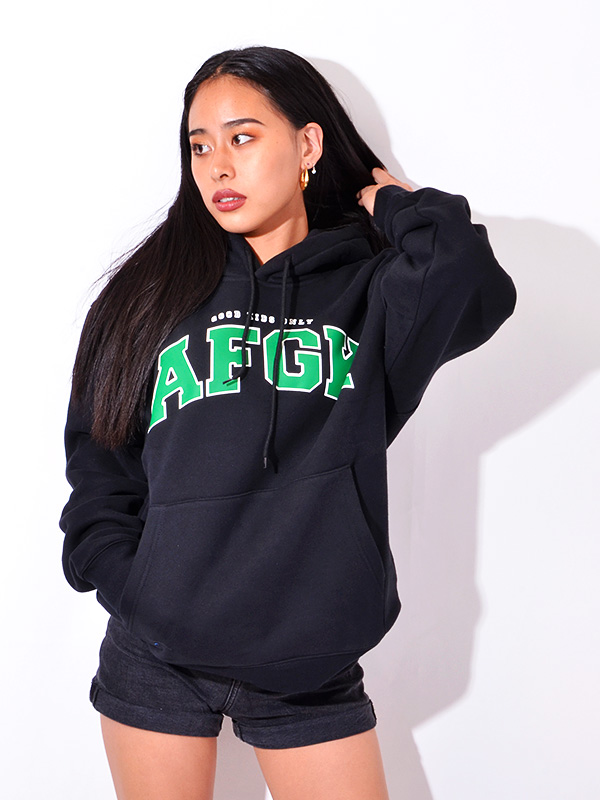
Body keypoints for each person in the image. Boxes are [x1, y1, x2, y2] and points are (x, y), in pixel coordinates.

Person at [59, 45, 516, 800]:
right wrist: (134, 587)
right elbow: (99, 465)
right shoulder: (148, 295)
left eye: (242, 138)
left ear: (307, 145)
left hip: (309, 662)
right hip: (157, 655)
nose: (217, 166)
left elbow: (468, 275)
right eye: (199, 146)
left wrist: (392, 203)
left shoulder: (373, 296)